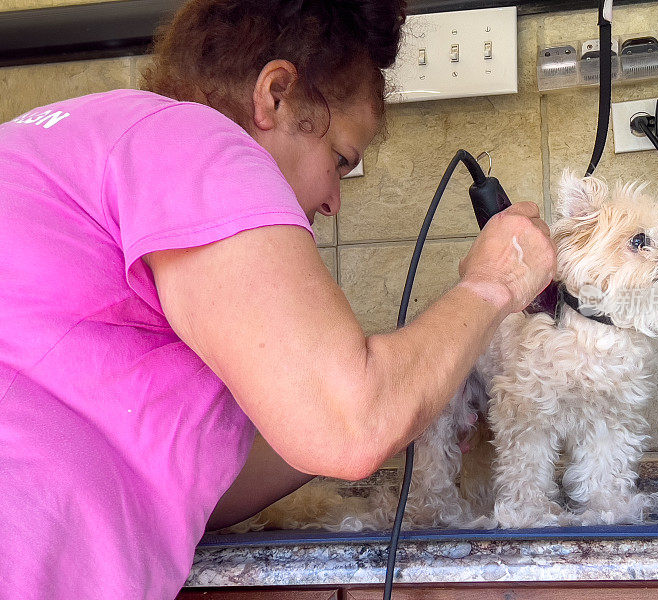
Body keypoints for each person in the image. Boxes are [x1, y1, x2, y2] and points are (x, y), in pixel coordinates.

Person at [0, 0, 556, 597]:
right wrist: (492, 282)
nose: (334, 200)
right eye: (341, 160)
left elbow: (208, 489)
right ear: (275, 94)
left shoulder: (59, 142)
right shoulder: (191, 139)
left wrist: (415, 398)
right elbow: (351, 425)